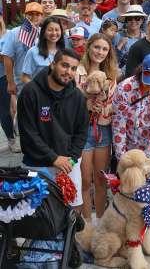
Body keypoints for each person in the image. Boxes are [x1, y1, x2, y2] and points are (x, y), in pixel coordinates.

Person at [17, 49, 89, 208]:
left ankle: (70, 234)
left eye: (73, 68)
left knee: (72, 209)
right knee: (39, 215)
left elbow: (82, 131)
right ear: (52, 64)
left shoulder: (77, 97)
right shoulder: (30, 92)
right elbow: (29, 133)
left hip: (68, 162)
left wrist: (71, 158)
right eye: (65, 65)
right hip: (37, 162)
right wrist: (54, 158)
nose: (68, 72)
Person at [76, 33, 118, 219]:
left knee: (101, 180)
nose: (100, 52)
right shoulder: (77, 71)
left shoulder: (112, 74)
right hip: (83, 129)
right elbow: (71, 100)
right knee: (85, 181)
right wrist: (85, 103)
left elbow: (113, 102)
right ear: (89, 47)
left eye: (104, 49)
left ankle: (100, 223)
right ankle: (86, 226)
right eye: (96, 47)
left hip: (103, 128)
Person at [2, 2, 44, 104]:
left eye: (37, 14)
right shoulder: (13, 33)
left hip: (43, 83)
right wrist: (10, 82)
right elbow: (7, 58)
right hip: (22, 83)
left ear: (42, 17)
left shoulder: (45, 33)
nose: (34, 16)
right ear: (25, 15)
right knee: (25, 114)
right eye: (31, 13)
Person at [21, 17, 64, 84]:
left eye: (57, 30)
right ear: (43, 32)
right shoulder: (33, 52)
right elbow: (25, 77)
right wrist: (37, 90)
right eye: (50, 30)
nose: (54, 33)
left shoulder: (64, 52)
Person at [0, 15, 19, 152]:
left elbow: (12, 55)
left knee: (9, 110)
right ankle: (10, 139)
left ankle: (14, 140)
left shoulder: (10, 35)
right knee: (3, 111)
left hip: (6, 77)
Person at [115, 5, 147, 69]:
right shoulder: (117, 36)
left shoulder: (146, 38)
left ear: (142, 20)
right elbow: (112, 61)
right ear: (126, 21)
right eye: (130, 18)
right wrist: (119, 46)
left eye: (137, 18)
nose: (133, 21)